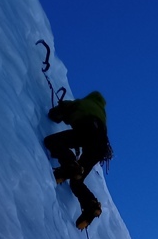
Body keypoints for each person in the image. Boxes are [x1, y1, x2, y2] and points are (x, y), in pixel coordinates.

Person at [43, 92, 111, 230]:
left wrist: (57, 111)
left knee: (52, 142)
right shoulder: (102, 114)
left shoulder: (81, 103)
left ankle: (69, 165)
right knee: (77, 181)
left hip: (86, 131)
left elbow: (56, 114)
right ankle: (90, 205)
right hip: (101, 146)